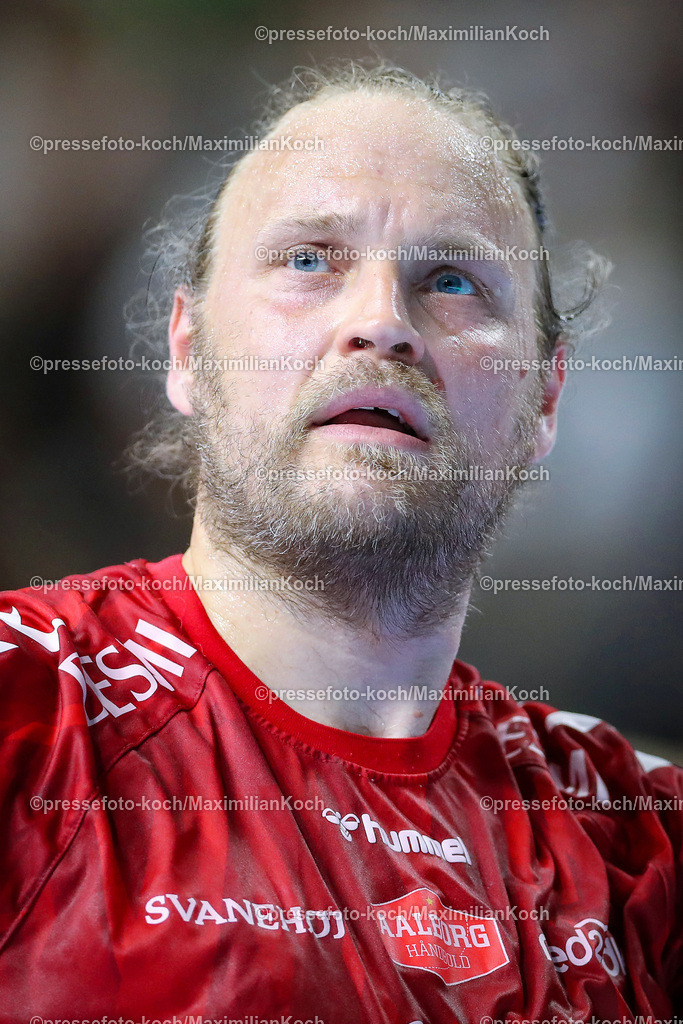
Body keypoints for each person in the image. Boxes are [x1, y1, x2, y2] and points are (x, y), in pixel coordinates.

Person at [1, 62, 680, 1022]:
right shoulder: (26, 714)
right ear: (189, 351)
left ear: (546, 400)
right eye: (310, 260)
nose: (379, 324)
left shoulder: (636, 848)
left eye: (451, 280)